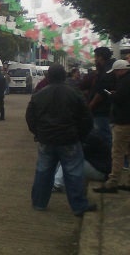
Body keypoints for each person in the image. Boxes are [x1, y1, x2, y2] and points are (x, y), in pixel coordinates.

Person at [25, 64, 96, 217]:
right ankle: (78, 206)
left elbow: (30, 117)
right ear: (64, 76)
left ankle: (39, 203)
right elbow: (87, 118)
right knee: (74, 173)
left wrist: (38, 133)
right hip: (69, 140)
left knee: (43, 172)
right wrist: (81, 136)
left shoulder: (39, 94)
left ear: (48, 77)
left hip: (46, 140)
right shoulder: (75, 93)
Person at [93, 60, 130, 193]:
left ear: (120, 70)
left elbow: (118, 99)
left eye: (115, 72)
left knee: (117, 153)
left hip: (123, 122)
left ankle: (113, 182)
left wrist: (112, 95)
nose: (114, 75)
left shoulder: (125, 82)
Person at [89, 47, 116, 145]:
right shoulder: (104, 69)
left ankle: (113, 158)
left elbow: (101, 92)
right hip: (102, 111)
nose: (95, 59)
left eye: (95, 57)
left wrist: (91, 105)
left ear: (101, 57)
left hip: (101, 111)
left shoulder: (107, 71)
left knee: (105, 137)